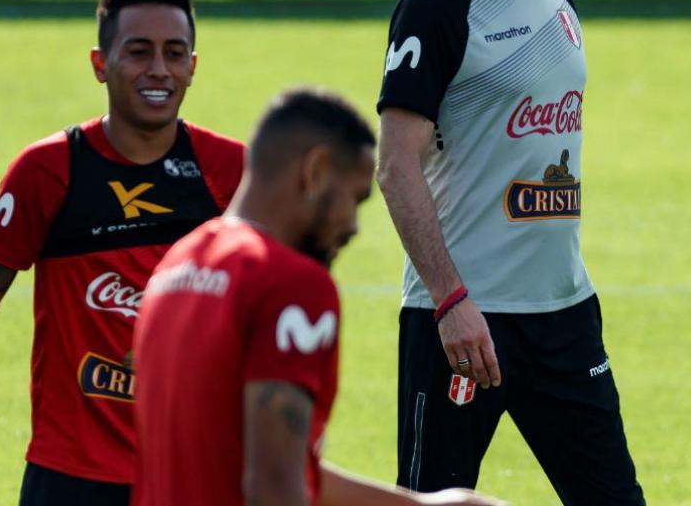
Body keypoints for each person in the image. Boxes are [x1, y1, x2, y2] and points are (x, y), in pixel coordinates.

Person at [376, 0, 644, 505]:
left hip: (564, 312)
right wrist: (451, 300)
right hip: (464, 318)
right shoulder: (436, 5)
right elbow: (396, 165)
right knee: (431, 501)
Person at [0, 0, 245, 506]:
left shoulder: (234, 173)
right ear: (99, 63)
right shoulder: (47, 171)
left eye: (174, 53)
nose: (158, 69)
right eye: (138, 51)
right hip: (69, 477)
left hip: (191, 474)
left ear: (193, 66)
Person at [132, 87, 504, 506]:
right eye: (355, 199)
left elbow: (259, 460)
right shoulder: (289, 284)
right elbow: (275, 486)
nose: (353, 227)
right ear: (316, 171)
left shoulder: (176, 267)